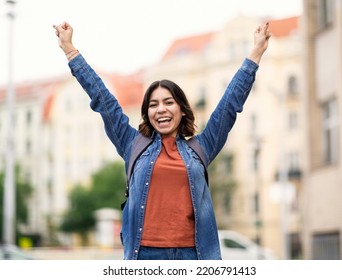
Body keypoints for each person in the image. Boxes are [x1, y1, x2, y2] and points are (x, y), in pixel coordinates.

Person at [53, 21, 270, 260]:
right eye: (153, 105)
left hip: (193, 255)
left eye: (168, 102)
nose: (161, 109)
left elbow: (230, 103)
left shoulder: (201, 148)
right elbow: (102, 99)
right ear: (147, 113)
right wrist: (70, 50)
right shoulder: (132, 144)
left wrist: (256, 53)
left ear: (182, 109)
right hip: (145, 255)